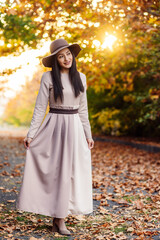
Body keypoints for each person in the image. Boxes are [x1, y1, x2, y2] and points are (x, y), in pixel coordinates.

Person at [16, 38, 94, 236]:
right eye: (61, 56)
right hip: (54, 127)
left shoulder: (81, 78)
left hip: (74, 128)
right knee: (55, 172)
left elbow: (83, 109)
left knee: (70, 173)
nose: (66, 58)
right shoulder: (48, 78)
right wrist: (31, 134)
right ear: (55, 60)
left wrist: (88, 134)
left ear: (73, 55)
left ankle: (60, 220)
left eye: (68, 54)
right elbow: (40, 107)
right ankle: (57, 219)